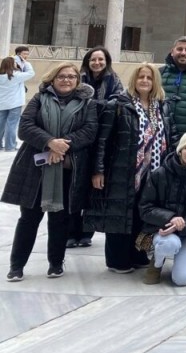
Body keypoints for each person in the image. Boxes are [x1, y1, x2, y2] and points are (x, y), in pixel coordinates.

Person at [3, 62, 98, 281]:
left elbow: (90, 131)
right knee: (29, 218)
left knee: (60, 219)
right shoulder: (39, 99)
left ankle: (56, 263)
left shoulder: (87, 103)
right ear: (53, 79)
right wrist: (49, 142)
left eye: (71, 77)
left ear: (77, 80)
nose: (66, 80)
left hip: (67, 170)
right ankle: (17, 265)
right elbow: (25, 127)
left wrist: (63, 145)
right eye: (62, 76)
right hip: (35, 170)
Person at [87, 63, 172, 273]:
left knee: (142, 216)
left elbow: (170, 137)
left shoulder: (162, 106)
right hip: (122, 171)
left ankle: (138, 254)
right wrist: (98, 170)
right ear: (134, 80)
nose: (144, 81)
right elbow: (103, 141)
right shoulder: (117, 104)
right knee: (119, 215)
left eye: (149, 78)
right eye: (141, 77)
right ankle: (118, 260)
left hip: (152, 173)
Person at [138, 131, 186, 286]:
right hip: (162, 230)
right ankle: (157, 264)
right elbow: (145, 208)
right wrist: (170, 218)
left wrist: (183, 224)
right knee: (169, 244)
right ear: (179, 150)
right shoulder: (160, 174)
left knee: (182, 279)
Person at [72, 46, 125, 249]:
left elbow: (117, 102)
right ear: (88, 61)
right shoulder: (78, 78)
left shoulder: (114, 80)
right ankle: (72, 230)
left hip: (103, 137)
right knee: (76, 186)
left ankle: (87, 232)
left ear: (106, 61)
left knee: (96, 187)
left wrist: (94, 104)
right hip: (81, 137)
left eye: (101, 59)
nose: (97, 63)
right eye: (93, 59)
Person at [0, 55, 34, 151]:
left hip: (2, 104)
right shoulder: (16, 76)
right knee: (12, 125)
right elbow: (31, 73)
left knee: (1, 124)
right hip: (14, 103)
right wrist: (25, 62)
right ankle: (10, 146)